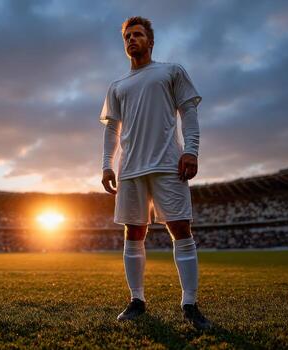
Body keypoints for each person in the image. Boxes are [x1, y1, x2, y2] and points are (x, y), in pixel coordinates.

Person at [99, 16, 211, 330]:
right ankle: (137, 300)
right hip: (130, 169)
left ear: (150, 41)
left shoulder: (170, 71)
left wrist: (191, 150)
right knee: (133, 233)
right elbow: (111, 130)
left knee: (181, 229)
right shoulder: (117, 86)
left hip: (167, 163)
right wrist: (108, 164)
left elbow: (189, 112)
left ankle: (189, 303)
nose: (132, 40)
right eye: (127, 37)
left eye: (138, 35)